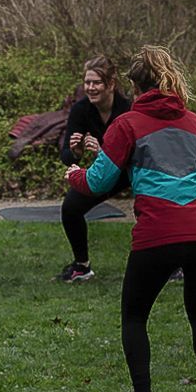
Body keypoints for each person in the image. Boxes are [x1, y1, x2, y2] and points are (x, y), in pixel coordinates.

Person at [67, 46, 196, 392]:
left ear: (135, 86)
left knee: (135, 315)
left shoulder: (127, 126)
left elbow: (98, 181)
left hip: (157, 236)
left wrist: (73, 175)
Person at [56, 55, 132, 283]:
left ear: (110, 84)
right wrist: (76, 153)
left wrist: (102, 152)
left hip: (132, 169)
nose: (90, 88)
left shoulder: (128, 109)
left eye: (96, 83)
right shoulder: (81, 110)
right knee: (70, 207)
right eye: (87, 82)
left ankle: (173, 265)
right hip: (105, 171)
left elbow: (135, 155)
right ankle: (82, 266)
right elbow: (67, 157)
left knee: (155, 206)